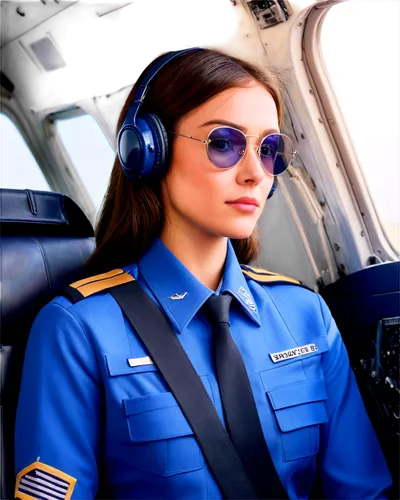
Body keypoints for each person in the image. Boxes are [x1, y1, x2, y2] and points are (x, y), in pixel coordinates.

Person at [14, 46, 393, 500]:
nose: (255, 173)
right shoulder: (77, 329)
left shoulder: (304, 312)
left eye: (269, 149)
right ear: (148, 150)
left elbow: (362, 491)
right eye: (225, 144)